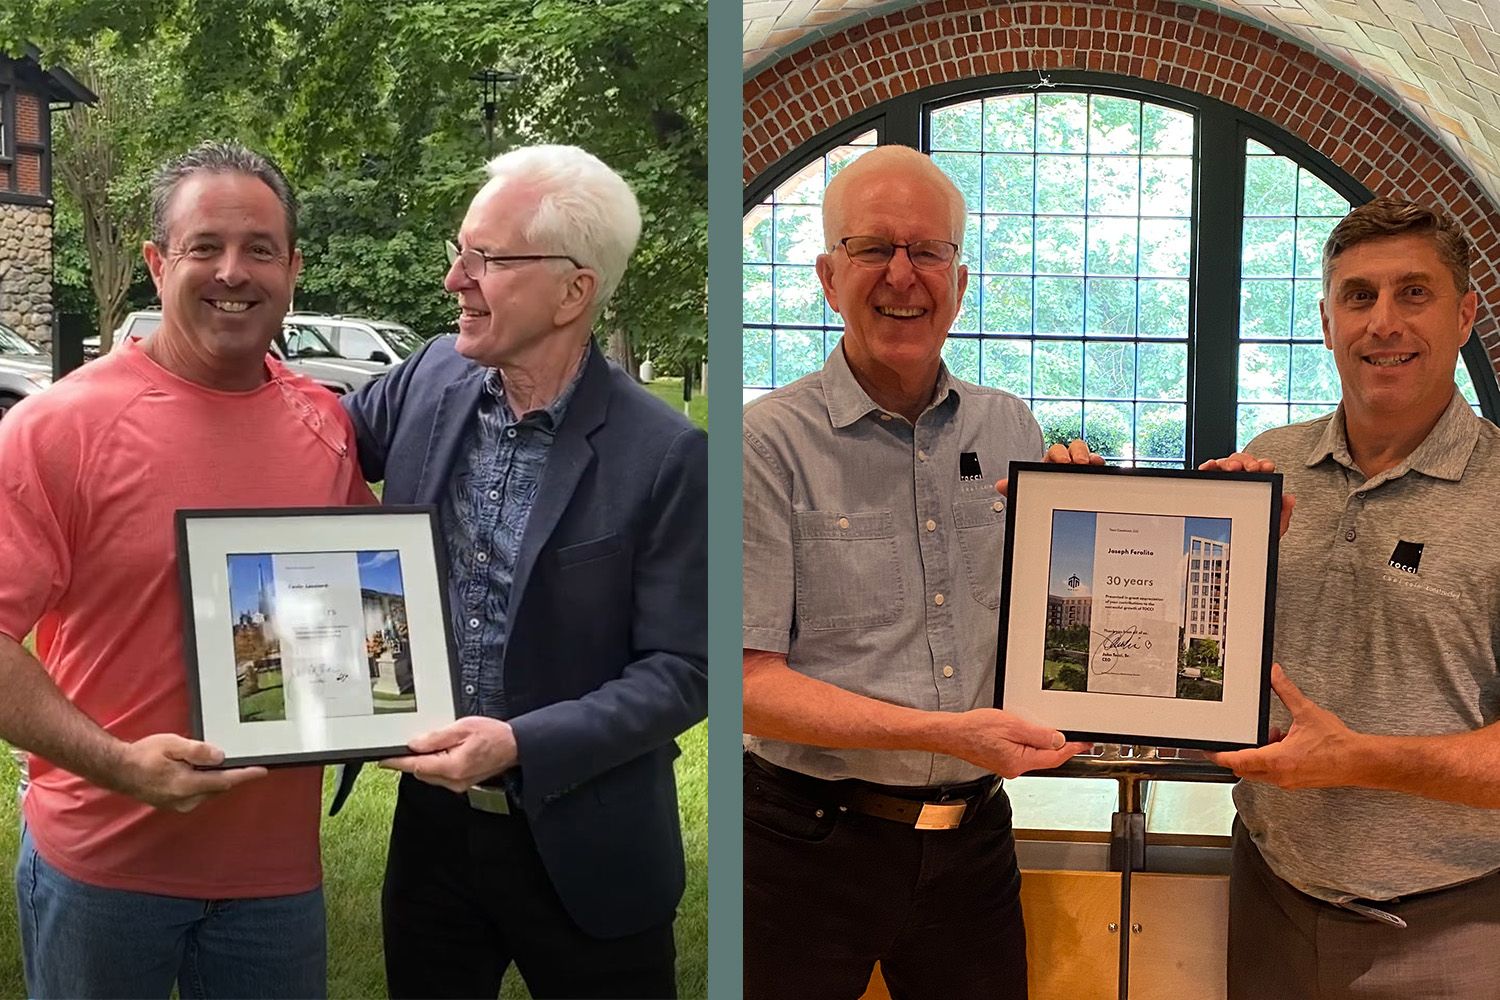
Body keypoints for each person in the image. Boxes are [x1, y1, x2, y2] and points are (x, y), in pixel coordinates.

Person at [335, 144, 707, 1000]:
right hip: (432, 835)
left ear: (575, 290)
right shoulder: (429, 376)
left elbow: (684, 671)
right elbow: (303, 441)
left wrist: (517, 745)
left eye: (488, 259)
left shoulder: (666, 456)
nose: (455, 278)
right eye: (459, 251)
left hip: (590, 848)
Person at [0, 141, 369, 998]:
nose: (232, 272)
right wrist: (119, 765)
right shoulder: (59, 428)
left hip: (277, 880)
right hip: (102, 864)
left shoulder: (325, 424)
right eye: (205, 247)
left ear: (293, 268)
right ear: (158, 263)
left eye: (260, 249)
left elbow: (339, 610)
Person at [741, 144, 1092, 1000]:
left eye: (928, 251)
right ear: (829, 277)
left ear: (960, 282)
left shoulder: (1011, 428)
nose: (904, 274)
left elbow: (1048, 621)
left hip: (973, 845)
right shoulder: (766, 445)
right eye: (874, 250)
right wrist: (943, 734)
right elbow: (747, 685)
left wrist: (1094, 529)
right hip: (803, 847)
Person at [1202, 197, 1500, 999]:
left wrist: (1362, 760)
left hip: (1456, 930)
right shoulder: (1269, 468)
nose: (1384, 322)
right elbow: (1204, 663)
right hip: (1273, 898)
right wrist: (1198, 555)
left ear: (1466, 313)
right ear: (1327, 323)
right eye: (1359, 296)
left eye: (1415, 292)